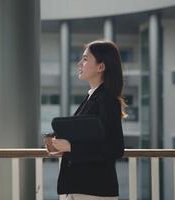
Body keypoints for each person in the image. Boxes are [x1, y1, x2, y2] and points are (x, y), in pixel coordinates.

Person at [45, 40, 126, 200]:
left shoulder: (107, 99)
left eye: (85, 59)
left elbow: (115, 148)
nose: (79, 63)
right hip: (82, 189)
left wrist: (71, 146)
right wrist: (57, 141)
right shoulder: (93, 97)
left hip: (94, 191)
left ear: (101, 67)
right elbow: (88, 136)